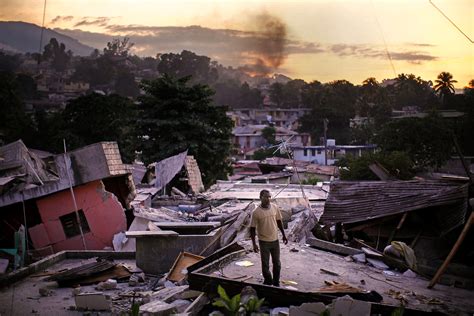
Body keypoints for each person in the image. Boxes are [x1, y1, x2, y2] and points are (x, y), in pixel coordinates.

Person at [250, 189, 288, 286]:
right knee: (265, 266)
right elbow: (252, 229)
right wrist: (254, 244)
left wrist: (284, 235)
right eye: (266, 197)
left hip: (275, 240)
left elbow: (279, 222)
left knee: (277, 264)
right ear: (260, 197)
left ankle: (276, 282)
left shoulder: (275, 207)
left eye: (269, 197)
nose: (268, 199)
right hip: (263, 242)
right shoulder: (256, 212)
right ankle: (268, 281)